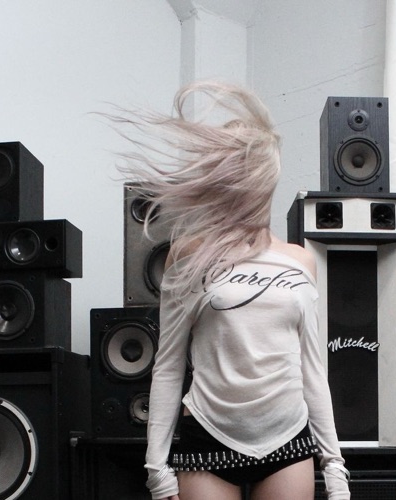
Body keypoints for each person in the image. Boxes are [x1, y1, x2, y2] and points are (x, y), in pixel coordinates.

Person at [116, 81, 350, 500]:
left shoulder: (301, 261)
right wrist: (157, 467)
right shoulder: (189, 256)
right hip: (209, 435)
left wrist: (334, 464)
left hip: (287, 439)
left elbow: (312, 368)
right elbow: (168, 365)